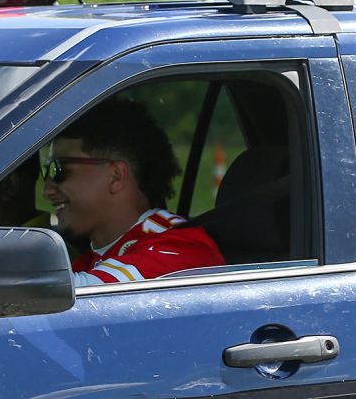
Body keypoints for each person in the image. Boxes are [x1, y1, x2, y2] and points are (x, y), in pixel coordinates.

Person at [43, 98, 224, 286]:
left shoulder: (180, 249)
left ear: (115, 176)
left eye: (59, 170)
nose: (46, 190)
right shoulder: (90, 261)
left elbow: (61, 295)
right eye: (45, 172)